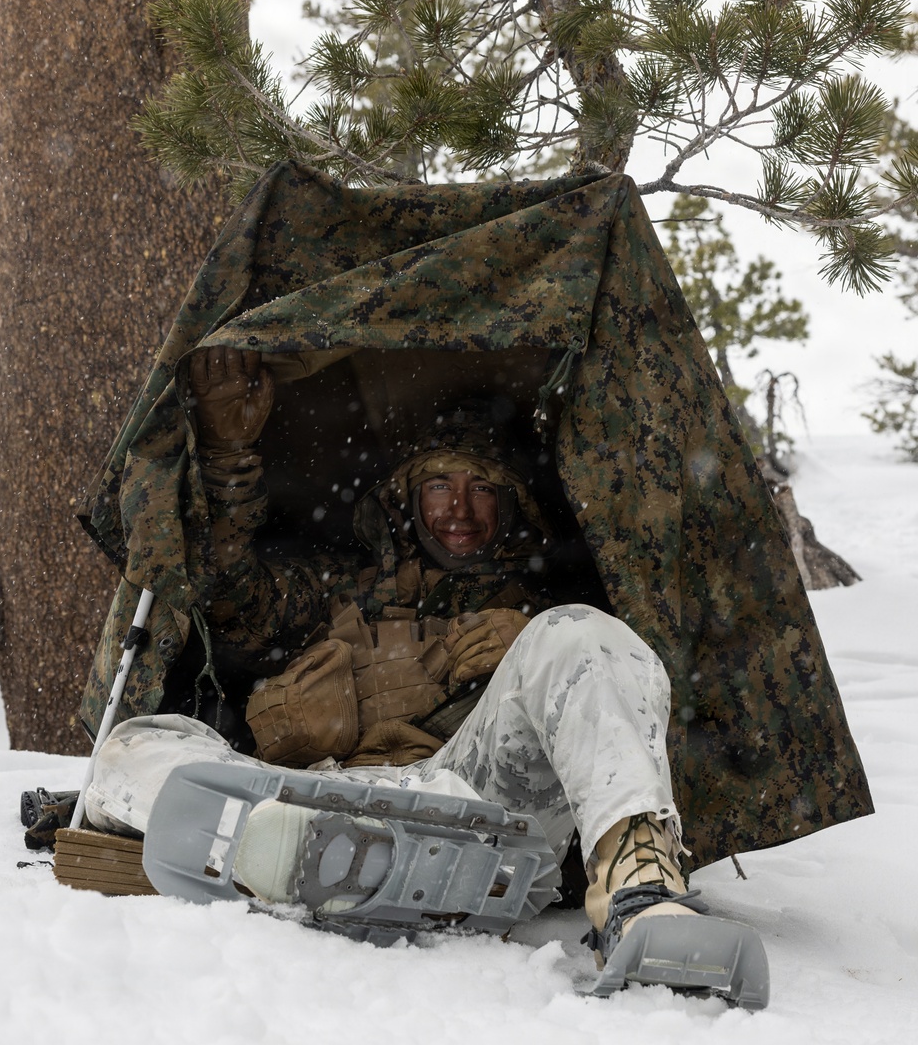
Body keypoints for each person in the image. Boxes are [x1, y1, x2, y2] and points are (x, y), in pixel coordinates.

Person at [85, 348, 720, 974]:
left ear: (512, 504)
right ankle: (280, 846)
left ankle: (639, 898)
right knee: (132, 745)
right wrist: (228, 459)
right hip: (320, 800)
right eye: (440, 485)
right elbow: (224, 595)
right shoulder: (339, 590)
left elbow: (624, 717)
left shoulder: (539, 610)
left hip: (468, 810)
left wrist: (529, 636)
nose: (459, 510)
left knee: (583, 633)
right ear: (406, 498)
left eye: (481, 488)